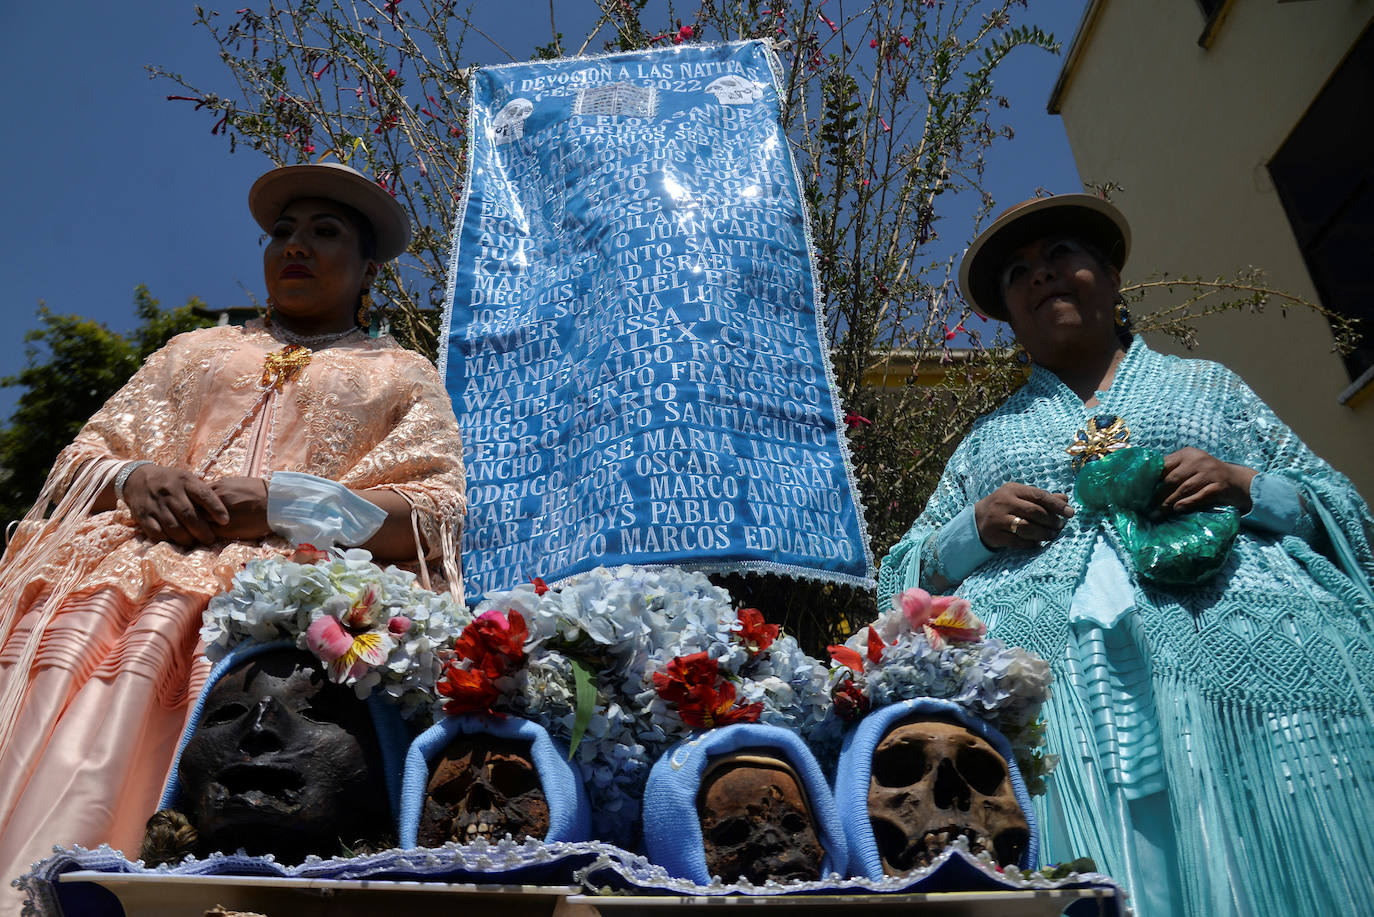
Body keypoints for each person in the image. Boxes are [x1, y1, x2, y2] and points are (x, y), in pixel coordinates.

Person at [877, 194, 1374, 917]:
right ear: (1011, 319)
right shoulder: (986, 439)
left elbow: (1344, 512)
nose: (1040, 275)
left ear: (1111, 280)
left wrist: (1244, 485)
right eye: (1019, 272)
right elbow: (901, 577)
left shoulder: (1210, 386)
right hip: (1059, 705)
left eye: (1060, 256)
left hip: (1237, 676)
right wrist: (973, 528)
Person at [0, 162, 466, 904]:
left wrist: (285, 503)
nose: (296, 246)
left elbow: (434, 512)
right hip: (128, 597)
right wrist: (135, 479)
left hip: (285, 623)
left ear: (369, 268)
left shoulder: (402, 374)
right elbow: (80, 460)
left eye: (324, 231)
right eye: (281, 232)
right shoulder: (193, 351)